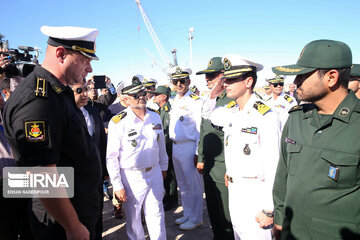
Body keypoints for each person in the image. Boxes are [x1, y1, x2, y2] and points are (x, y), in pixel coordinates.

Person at [3, 25, 102, 240]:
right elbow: (41, 174)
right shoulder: (39, 99)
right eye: (85, 60)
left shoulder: (58, 92)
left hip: (77, 208)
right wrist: (73, 226)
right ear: (61, 53)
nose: (89, 69)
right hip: (61, 222)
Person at [272, 39, 360, 239]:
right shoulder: (296, 119)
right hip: (291, 232)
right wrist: (279, 219)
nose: (295, 83)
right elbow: (282, 176)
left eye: (302, 75)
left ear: (331, 77)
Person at [202, 55, 281, 240]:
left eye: (231, 79)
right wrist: (213, 93)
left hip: (256, 193)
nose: (226, 83)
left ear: (248, 81)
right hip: (235, 191)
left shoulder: (265, 116)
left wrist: (269, 208)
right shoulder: (230, 112)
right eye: (225, 79)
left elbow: (273, 165)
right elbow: (207, 114)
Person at [106, 75, 168, 240]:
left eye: (142, 91)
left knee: (157, 213)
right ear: (125, 100)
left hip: (154, 172)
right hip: (131, 176)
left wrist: (164, 167)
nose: (141, 96)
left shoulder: (155, 116)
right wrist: (117, 185)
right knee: (133, 218)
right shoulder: (118, 122)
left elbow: (160, 145)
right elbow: (111, 157)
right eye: (135, 94)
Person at [195, 56, 235, 239]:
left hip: (224, 165)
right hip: (210, 164)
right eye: (206, 76)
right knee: (213, 209)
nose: (207, 79)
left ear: (224, 75)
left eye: (211, 75)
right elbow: (204, 131)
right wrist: (201, 158)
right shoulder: (210, 99)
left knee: (226, 213)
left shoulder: (232, 100)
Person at [69, 79, 108, 240]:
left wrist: (105, 171)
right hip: (74, 176)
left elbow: (102, 143)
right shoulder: (64, 114)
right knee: (78, 215)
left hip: (96, 173)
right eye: (79, 91)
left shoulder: (93, 112)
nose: (84, 94)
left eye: (86, 89)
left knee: (97, 210)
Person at [168, 66, 204, 230]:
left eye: (182, 81)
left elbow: (200, 128)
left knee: (193, 184)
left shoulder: (195, 101)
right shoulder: (175, 100)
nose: (179, 84)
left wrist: (198, 152)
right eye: (176, 81)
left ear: (188, 82)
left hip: (189, 147)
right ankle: (188, 214)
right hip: (176, 146)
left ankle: (196, 217)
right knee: (183, 184)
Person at [149, 85, 179, 211]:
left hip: (168, 146)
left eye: (156, 95)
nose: (154, 97)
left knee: (170, 174)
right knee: (165, 174)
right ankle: (167, 196)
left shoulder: (169, 111)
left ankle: (172, 199)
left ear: (164, 97)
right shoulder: (159, 110)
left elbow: (168, 132)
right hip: (162, 147)